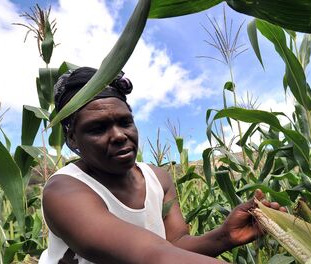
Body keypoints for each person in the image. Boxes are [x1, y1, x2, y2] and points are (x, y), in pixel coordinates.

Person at [39, 67, 286, 263]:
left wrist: (225, 236)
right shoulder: (64, 191)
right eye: (97, 128)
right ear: (72, 138)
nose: (118, 135)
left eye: (125, 122)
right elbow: (152, 255)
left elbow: (174, 245)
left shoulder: (158, 178)